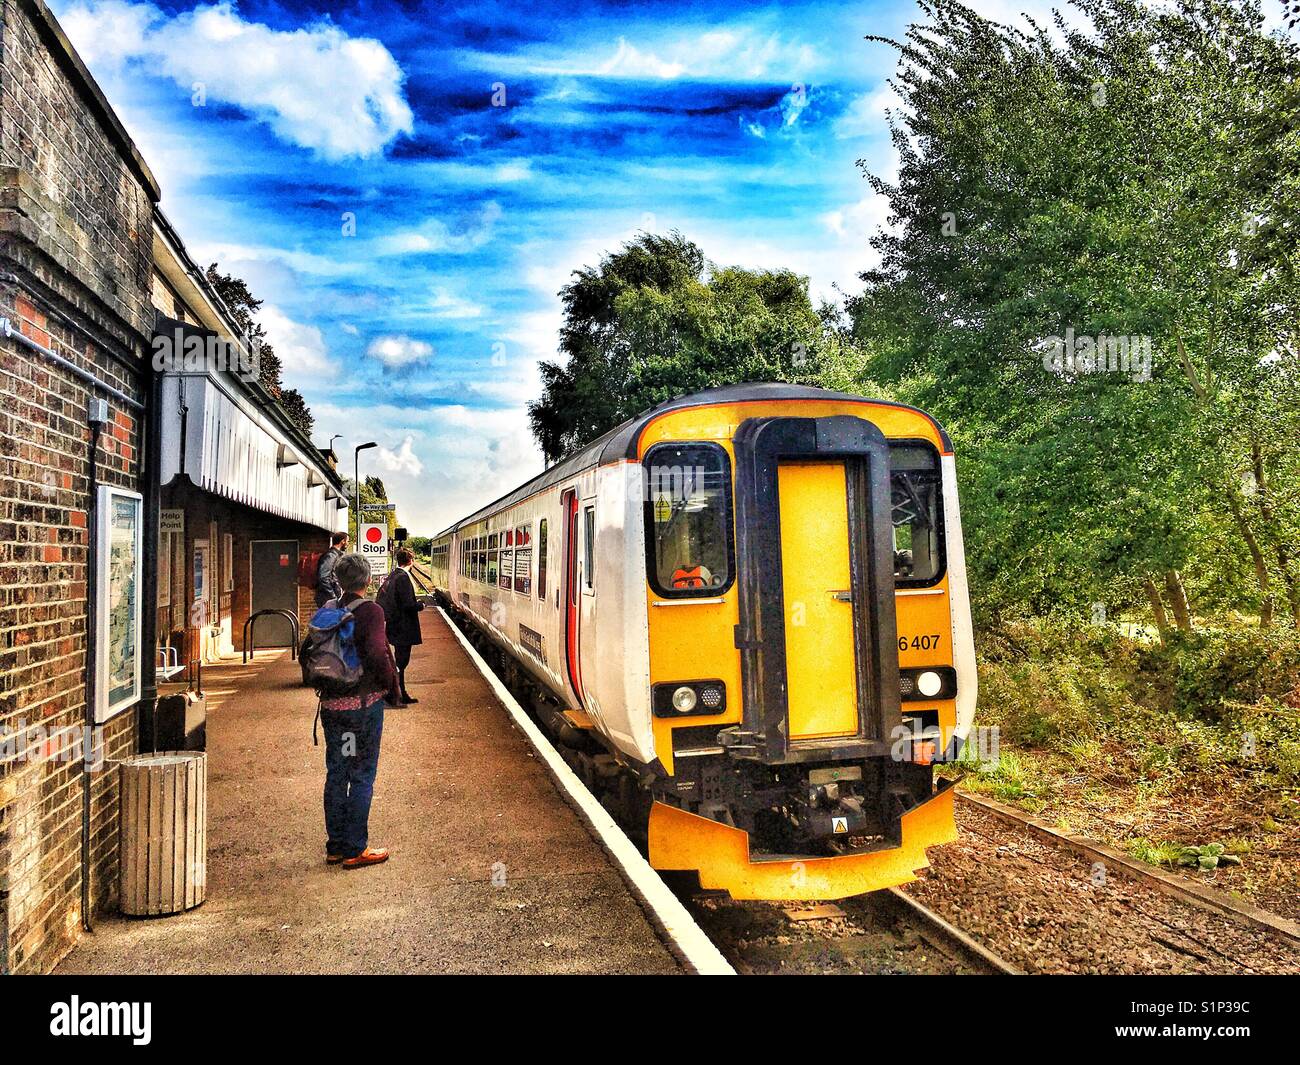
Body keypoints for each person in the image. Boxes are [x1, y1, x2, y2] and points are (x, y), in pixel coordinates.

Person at [319, 552, 399, 869]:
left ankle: (336, 846)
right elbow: (379, 655)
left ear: (338, 580)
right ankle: (355, 849)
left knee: (337, 773)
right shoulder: (370, 611)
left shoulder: (327, 609)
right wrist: (393, 691)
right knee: (362, 774)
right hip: (361, 710)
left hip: (331, 709)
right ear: (367, 581)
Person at [377, 548, 425, 704]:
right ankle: (396, 694)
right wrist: (420, 605)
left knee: (399, 661)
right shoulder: (403, 578)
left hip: (395, 625)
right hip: (403, 626)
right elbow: (407, 605)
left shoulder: (393, 575)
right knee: (401, 662)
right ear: (411, 561)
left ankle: (400, 693)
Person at [314, 531, 348, 608]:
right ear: (343, 541)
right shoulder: (331, 555)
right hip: (327, 598)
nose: (347, 544)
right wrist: (333, 596)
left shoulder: (335, 555)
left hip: (329, 597)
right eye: (347, 541)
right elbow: (323, 576)